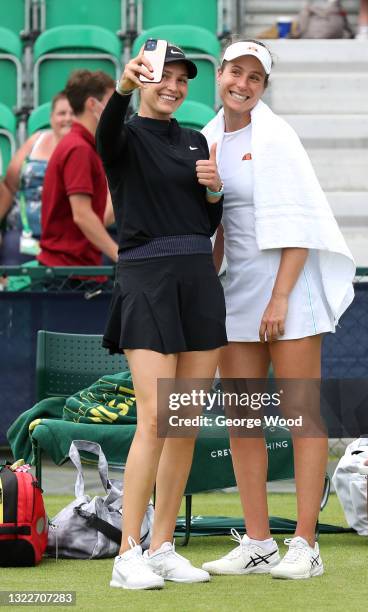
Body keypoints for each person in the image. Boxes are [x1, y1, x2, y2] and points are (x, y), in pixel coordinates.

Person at [201, 40, 355, 580]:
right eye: (235, 73)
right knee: (244, 421)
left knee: (300, 416)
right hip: (234, 294)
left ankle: (306, 545)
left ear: (263, 87)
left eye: (254, 78)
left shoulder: (279, 137)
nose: (242, 84)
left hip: (287, 292)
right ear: (219, 75)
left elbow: (302, 225)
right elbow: (214, 229)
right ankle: (260, 541)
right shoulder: (206, 139)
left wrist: (281, 297)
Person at [96, 42, 227, 590]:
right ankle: (128, 553)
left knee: (183, 424)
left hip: (199, 280)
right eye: (163, 77)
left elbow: (204, 219)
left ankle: (163, 545)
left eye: (181, 80)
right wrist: (121, 89)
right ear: (143, 78)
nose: (173, 87)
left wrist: (217, 192)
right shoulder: (122, 135)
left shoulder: (197, 139)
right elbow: (104, 135)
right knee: (154, 417)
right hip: (146, 280)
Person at [37, 70, 118, 267]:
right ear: (92, 104)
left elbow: (97, 216)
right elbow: (82, 215)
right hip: (70, 274)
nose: (117, 109)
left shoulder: (82, 145)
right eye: (111, 102)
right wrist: (120, 257)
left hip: (76, 269)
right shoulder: (79, 148)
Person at [0, 92, 73, 264]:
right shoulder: (36, 140)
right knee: (12, 254)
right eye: (62, 113)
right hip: (24, 233)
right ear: (52, 117)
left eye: (73, 113)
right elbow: (9, 185)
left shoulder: (88, 146)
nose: (68, 118)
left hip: (68, 235)